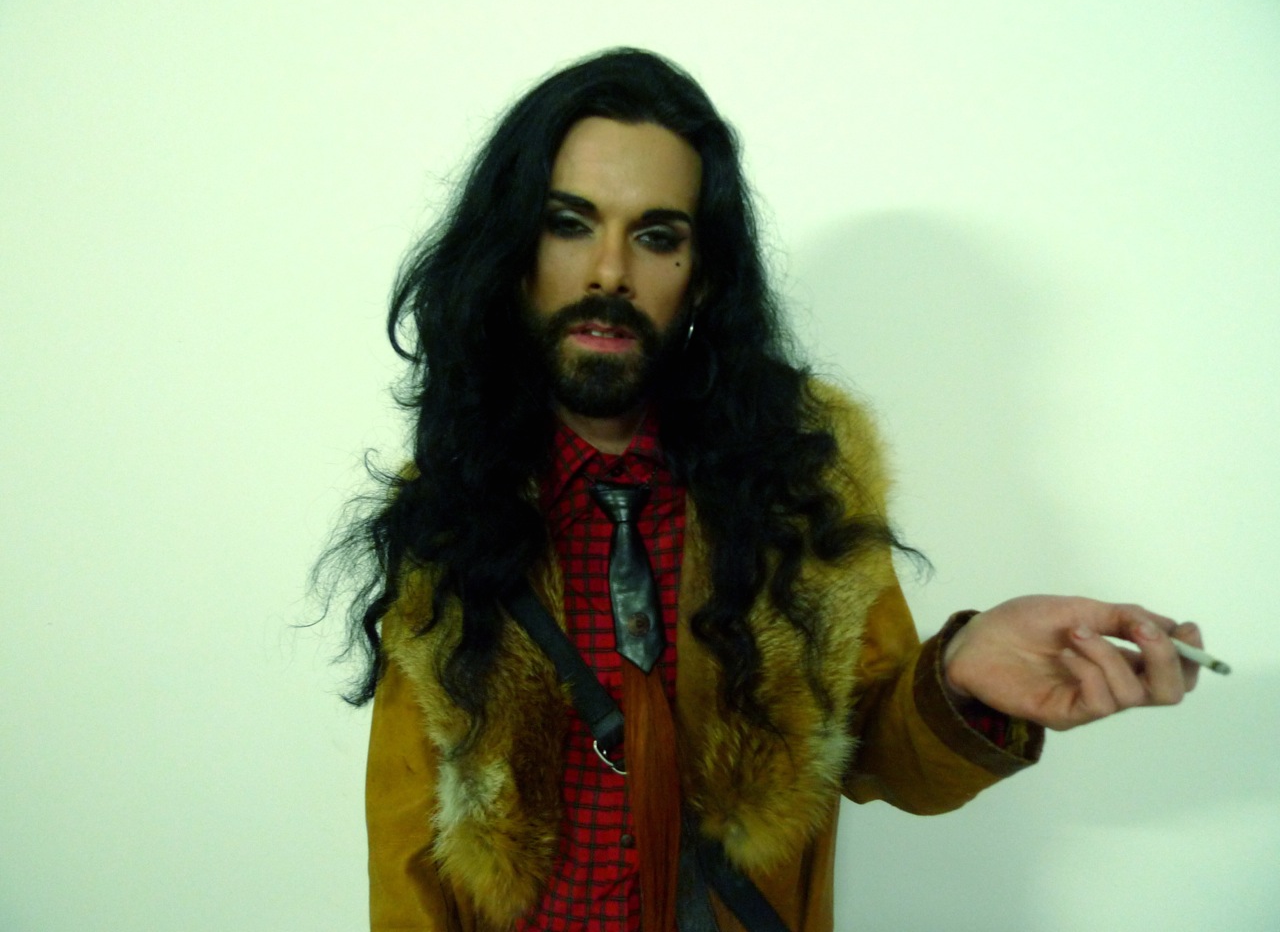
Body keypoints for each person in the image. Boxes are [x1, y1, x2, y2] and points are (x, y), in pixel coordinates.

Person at [332, 48, 1202, 932]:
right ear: (514, 248)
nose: (608, 273)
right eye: (569, 224)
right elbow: (407, 842)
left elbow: (874, 750)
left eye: (657, 237)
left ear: (705, 274)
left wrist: (960, 676)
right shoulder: (451, 504)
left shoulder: (796, 486)